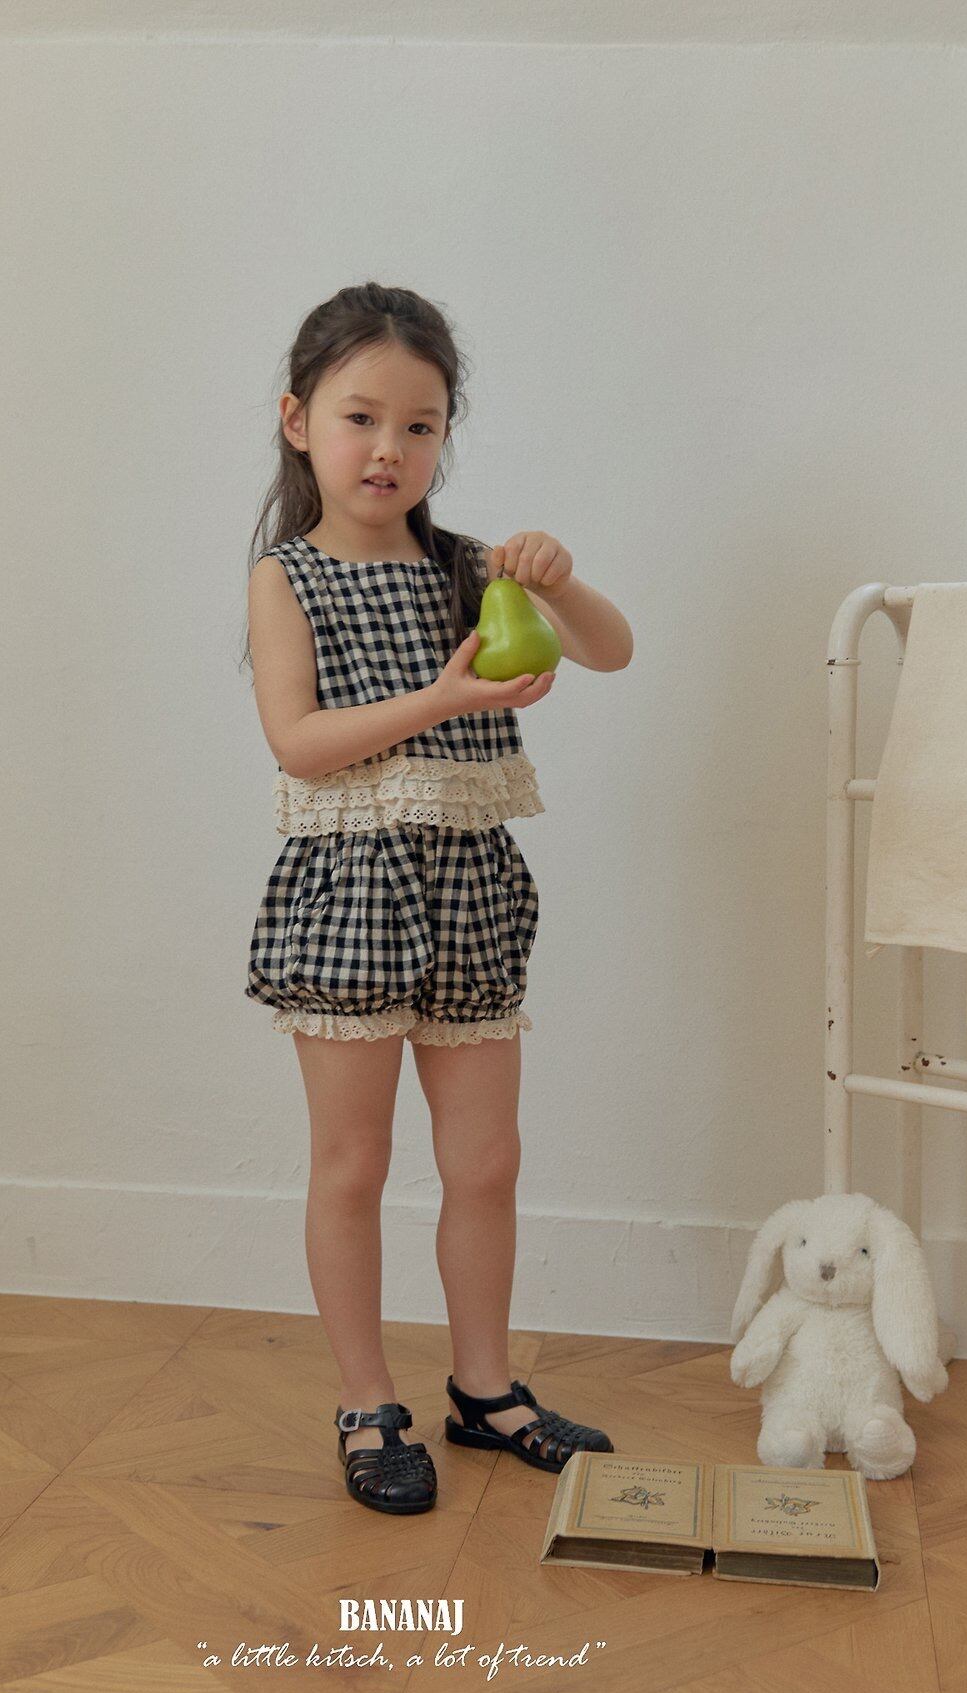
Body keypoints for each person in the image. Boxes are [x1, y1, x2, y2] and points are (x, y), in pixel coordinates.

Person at [240, 282, 634, 1516]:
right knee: (351, 1164)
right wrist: (444, 700)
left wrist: (559, 583)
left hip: (468, 886)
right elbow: (299, 742)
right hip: (350, 889)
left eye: (419, 425)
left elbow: (609, 649)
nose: (389, 449)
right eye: (360, 418)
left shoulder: (468, 569)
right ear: (299, 422)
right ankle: (367, 1405)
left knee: (486, 1161)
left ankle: (485, 1389)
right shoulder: (288, 576)